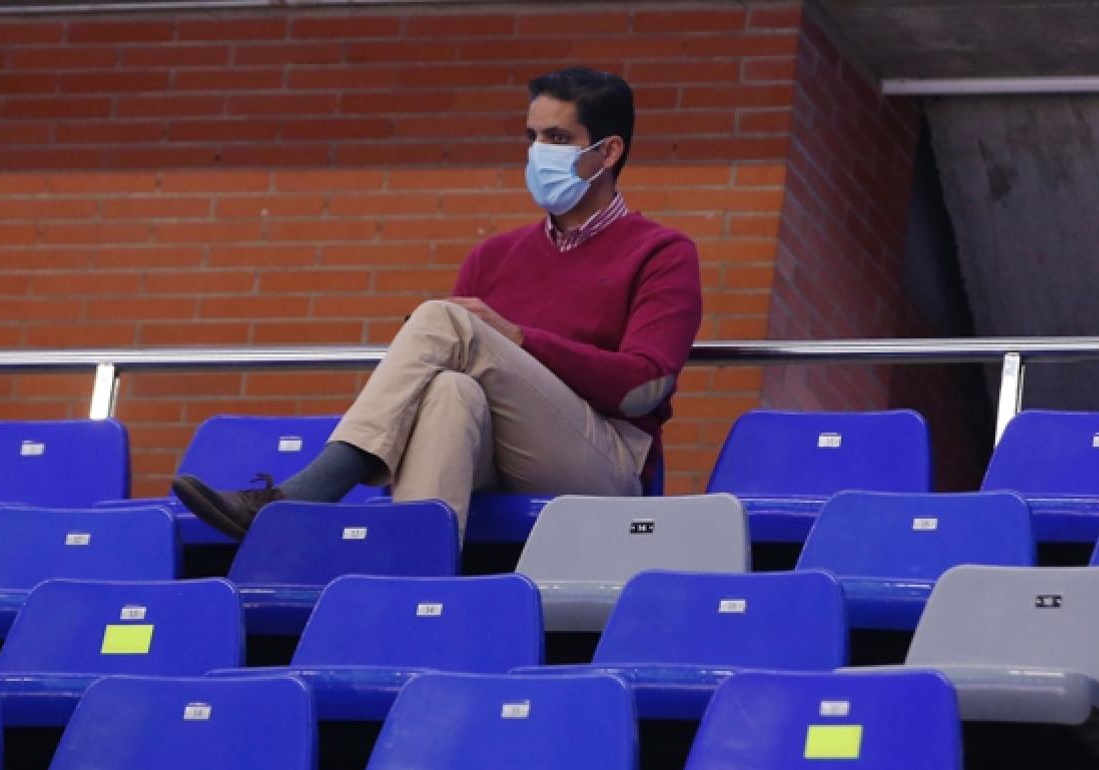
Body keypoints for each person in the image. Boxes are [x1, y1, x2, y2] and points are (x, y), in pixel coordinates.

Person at [172, 67, 703, 541]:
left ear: (608, 152)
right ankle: (412, 587)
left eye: (558, 138)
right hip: (495, 449)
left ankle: (305, 493)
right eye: (532, 136)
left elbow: (642, 389)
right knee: (449, 389)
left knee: (443, 319)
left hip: (603, 462)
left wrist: (518, 339)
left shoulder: (661, 251)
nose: (539, 151)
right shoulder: (493, 256)